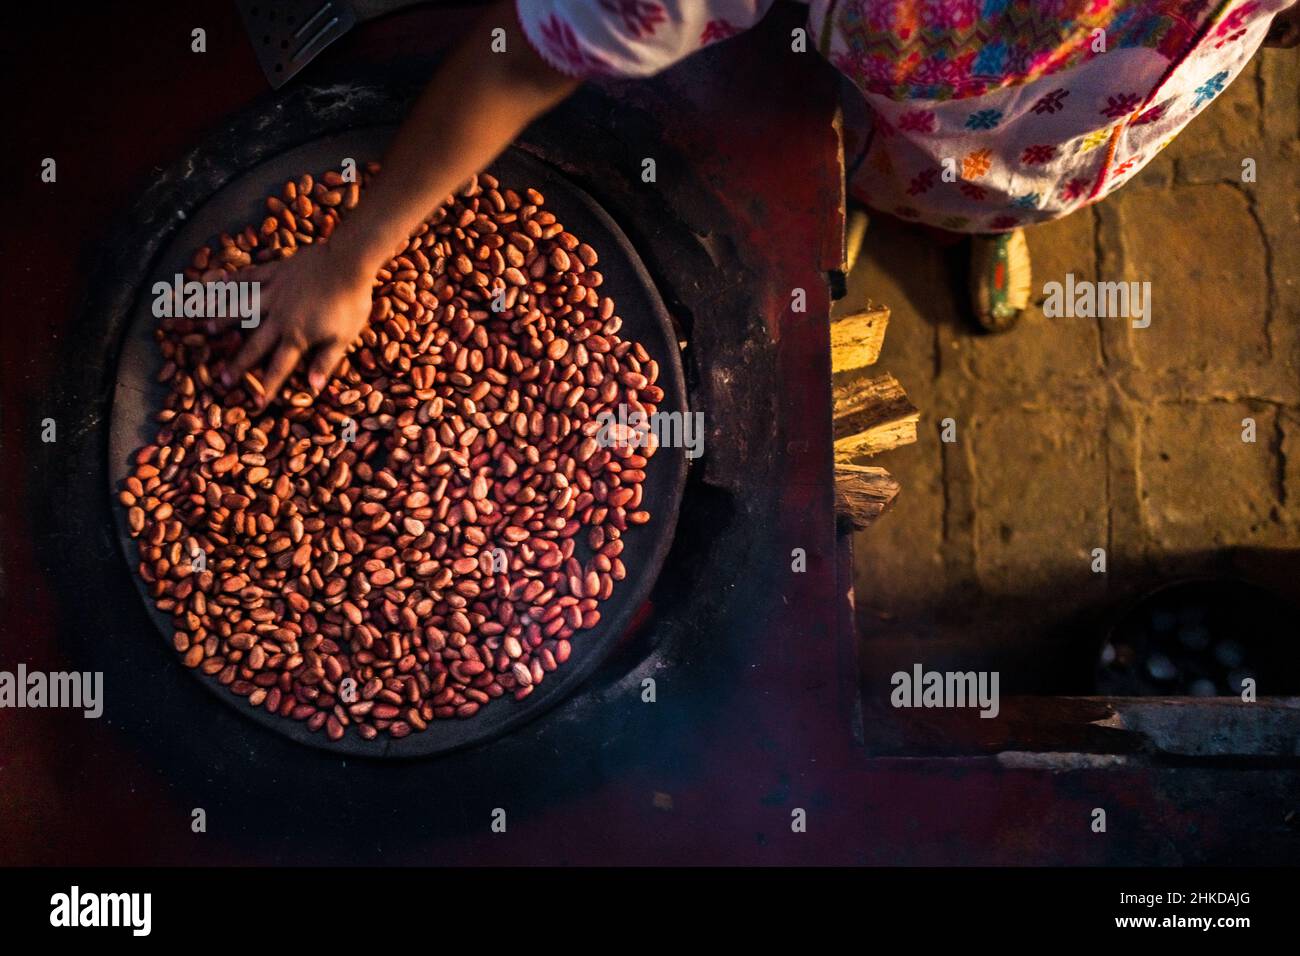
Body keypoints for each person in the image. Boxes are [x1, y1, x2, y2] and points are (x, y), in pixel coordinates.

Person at [228, 0, 1299, 406]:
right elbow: (524, 53)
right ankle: (880, 201)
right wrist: (354, 252)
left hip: (1120, 112)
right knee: (881, 168)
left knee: (1019, 191)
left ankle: (982, 219)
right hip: (909, 118)